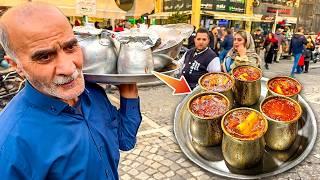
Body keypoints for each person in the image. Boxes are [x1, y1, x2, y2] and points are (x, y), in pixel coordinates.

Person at [0, 3, 142, 179]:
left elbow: (125, 140)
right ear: (15, 65)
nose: (68, 68)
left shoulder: (94, 93)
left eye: (70, 47)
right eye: (44, 57)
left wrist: (129, 85)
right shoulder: (10, 142)